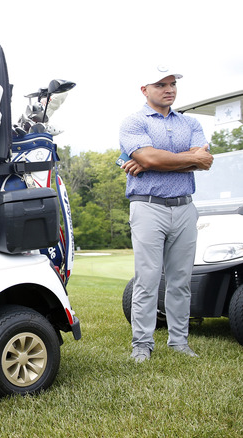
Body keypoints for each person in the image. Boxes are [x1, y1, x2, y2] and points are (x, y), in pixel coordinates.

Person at [119, 65, 213, 363]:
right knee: (146, 280)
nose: (169, 89)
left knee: (180, 280)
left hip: (185, 207)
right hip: (148, 206)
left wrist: (152, 161)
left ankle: (179, 342)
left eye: (172, 84)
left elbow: (206, 160)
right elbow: (147, 155)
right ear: (145, 90)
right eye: (161, 84)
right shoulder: (133, 122)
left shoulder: (190, 123)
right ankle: (142, 345)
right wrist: (177, 159)